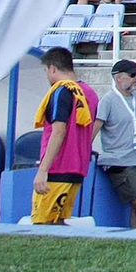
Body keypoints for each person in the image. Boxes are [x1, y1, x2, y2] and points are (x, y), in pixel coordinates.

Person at [31, 46, 99, 225]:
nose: (47, 76)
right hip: (77, 169)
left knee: (42, 224)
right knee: (59, 222)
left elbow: (59, 131)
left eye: (46, 71)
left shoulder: (60, 90)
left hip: (57, 169)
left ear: (52, 68)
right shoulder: (90, 93)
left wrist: (43, 170)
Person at [91, 58, 136, 228]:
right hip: (121, 161)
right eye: (133, 75)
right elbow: (95, 127)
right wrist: (84, 151)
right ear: (119, 77)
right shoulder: (108, 100)